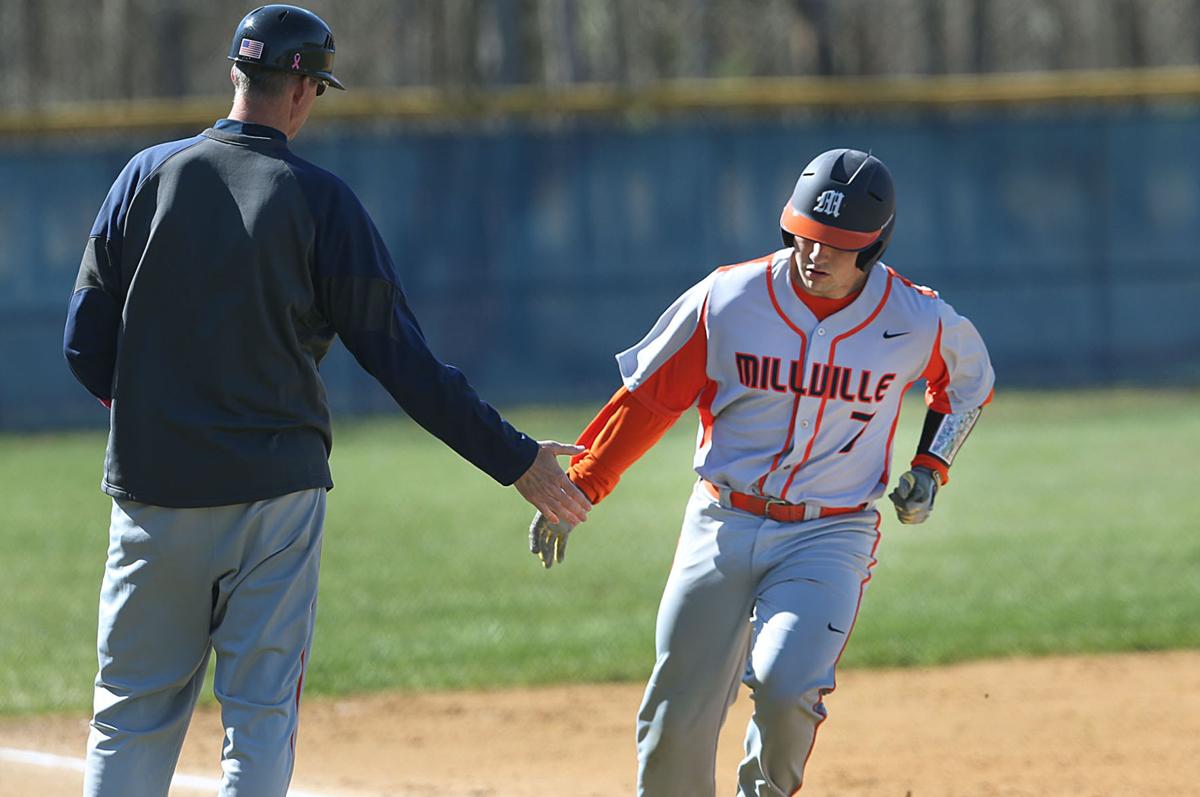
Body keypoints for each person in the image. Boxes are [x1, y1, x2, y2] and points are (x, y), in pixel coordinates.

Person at [63, 5, 590, 796]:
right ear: (305, 89)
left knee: (131, 712)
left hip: (152, 490)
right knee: (260, 714)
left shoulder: (146, 175)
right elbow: (402, 361)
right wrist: (516, 459)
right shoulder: (320, 200)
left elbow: (82, 343)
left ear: (236, 75)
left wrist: (150, 411)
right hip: (275, 497)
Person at [529, 148, 994, 796]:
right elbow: (650, 398)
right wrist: (580, 483)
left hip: (828, 535)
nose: (816, 254)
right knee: (674, 719)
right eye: (805, 235)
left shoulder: (914, 318)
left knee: (786, 688)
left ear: (874, 247)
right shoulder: (730, 299)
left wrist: (932, 465)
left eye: (838, 244)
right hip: (720, 522)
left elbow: (969, 382)